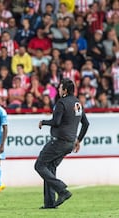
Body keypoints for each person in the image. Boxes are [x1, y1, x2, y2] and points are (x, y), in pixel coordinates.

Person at [35, 78, 90, 209]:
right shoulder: (77, 103)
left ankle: (62, 190)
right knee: (50, 167)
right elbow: (86, 124)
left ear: (64, 90)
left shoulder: (62, 102)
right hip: (70, 143)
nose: (58, 90)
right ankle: (49, 203)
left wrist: (44, 122)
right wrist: (78, 140)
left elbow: (56, 122)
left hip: (59, 141)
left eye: (60, 88)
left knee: (40, 165)